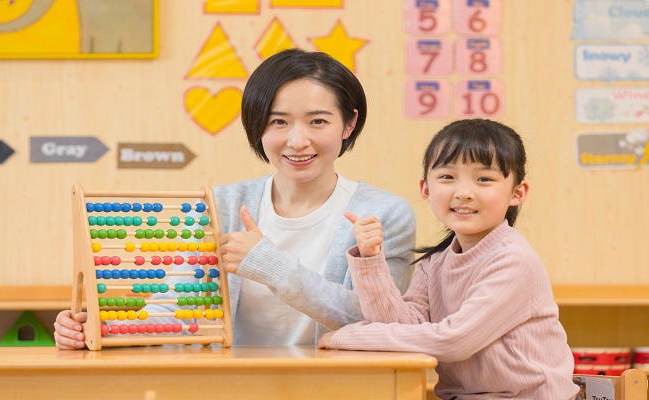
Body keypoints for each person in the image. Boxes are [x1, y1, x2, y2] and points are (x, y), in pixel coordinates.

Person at [54, 49, 416, 349]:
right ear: (257, 126)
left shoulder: (383, 214)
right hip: (232, 383)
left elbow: (379, 325)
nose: (297, 141)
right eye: (278, 122)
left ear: (348, 124)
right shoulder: (224, 204)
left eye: (318, 122)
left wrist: (270, 264)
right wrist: (98, 328)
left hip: (338, 386)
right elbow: (177, 305)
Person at [318, 119, 579, 398]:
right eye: (447, 177)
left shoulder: (514, 260)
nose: (463, 192)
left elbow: (454, 340)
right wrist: (370, 260)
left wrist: (347, 336)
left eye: (484, 179)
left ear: (517, 193)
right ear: (426, 190)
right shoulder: (436, 262)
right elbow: (403, 327)